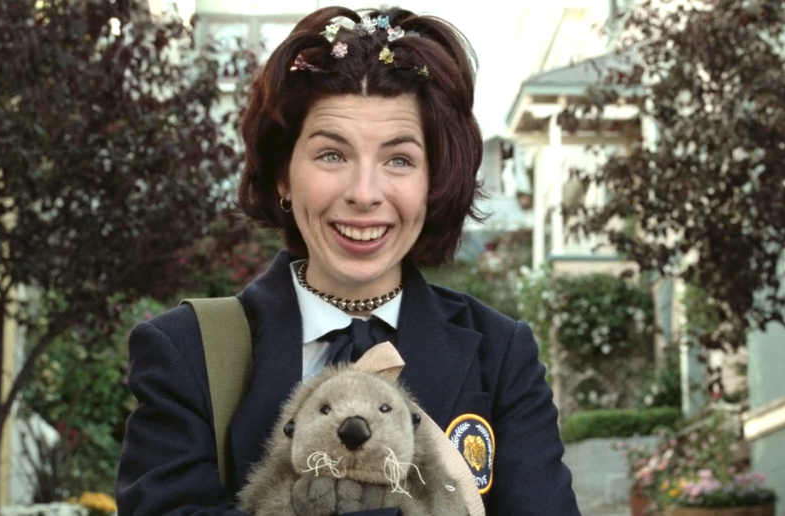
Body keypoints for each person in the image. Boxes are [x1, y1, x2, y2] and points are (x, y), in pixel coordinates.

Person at [116, 5, 580, 516]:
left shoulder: (501, 356)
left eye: (399, 159)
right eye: (332, 155)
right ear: (282, 176)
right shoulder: (187, 353)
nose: (364, 194)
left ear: (435, 182)